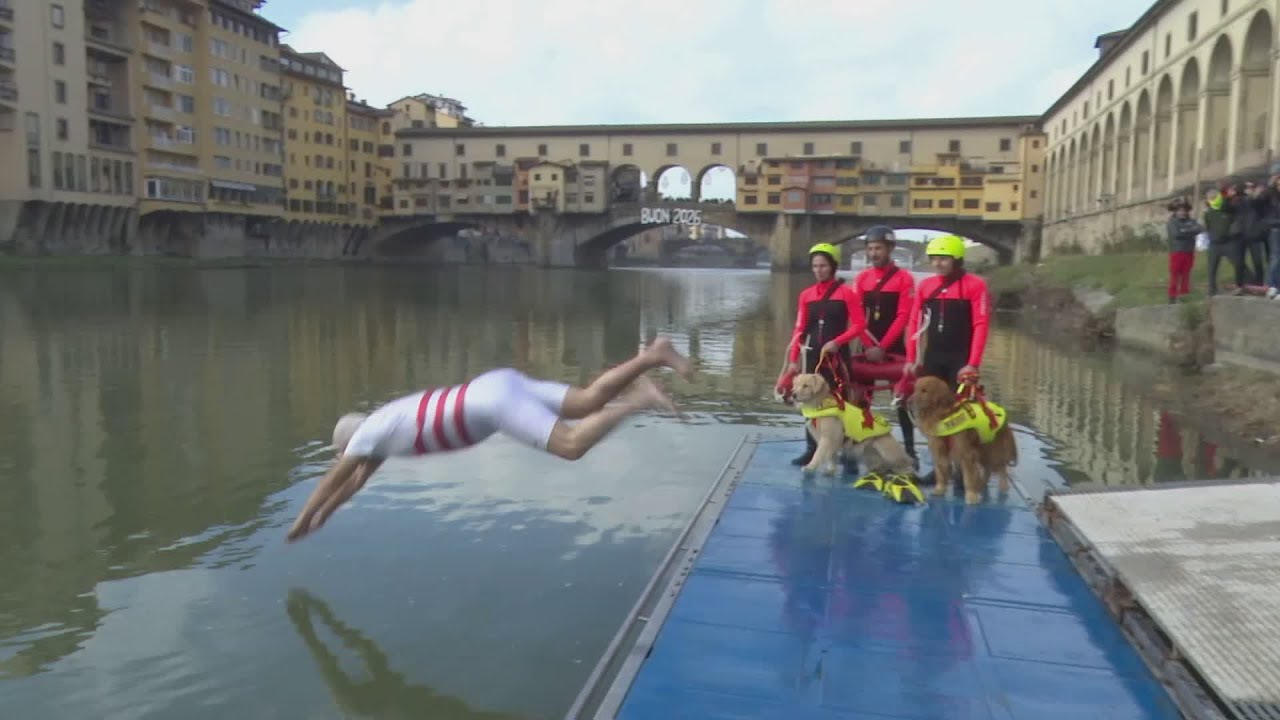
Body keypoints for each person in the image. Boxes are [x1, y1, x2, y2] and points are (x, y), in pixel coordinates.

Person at [286, 337, 694, 542]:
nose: (345, 461)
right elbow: (353, 484)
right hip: (496, 384)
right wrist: (323, 519)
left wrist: (302, 521)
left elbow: (332, 482)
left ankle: (639, 400)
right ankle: (653, 354)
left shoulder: (367, 436)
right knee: (587, 401)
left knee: (570, 445)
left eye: (343, 454)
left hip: (492, 405)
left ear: (348, 443)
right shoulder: (380, 431)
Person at [777, 241, 866, 470]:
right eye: (815, 266)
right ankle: (811, 449)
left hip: (837, 358)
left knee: (843, 404)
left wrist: (838, 342)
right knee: (808, 402)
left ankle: (848, 453)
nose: (819, 270)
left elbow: (859, 325)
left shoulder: (847, 293)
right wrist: (793, 361)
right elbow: (800, 329)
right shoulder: (806, 295)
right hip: (812, 356)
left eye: (823, 265)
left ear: (833, 266)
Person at [852, 225, 918, 460]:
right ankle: (857, 446)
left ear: (890, 248)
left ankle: (910, 450)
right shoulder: (862, 278)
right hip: (867, 347)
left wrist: (883, 347)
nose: (873, 253)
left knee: (902, 401)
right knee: (860, 401)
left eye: (878, 248)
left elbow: (904, 316)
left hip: (894, 348)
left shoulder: (904, 279)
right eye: (870, 249)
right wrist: (868, 345)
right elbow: (857, 315)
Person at [902, 235, 991, 390]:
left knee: (958, 401)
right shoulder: (925, 286)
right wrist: (911, 359)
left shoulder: (976, 285)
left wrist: (973, 364)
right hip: (933, 358)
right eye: (934, 259)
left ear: (956, 260)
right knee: (929, 400)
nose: (937, 264)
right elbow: (915, 324)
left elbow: (981, 325)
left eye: (943, 259)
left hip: (962, 359)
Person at [1165, 198, 1202, 303]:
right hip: (1177, 251)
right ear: (1175, 212)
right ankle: (1172, 295)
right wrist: (1190, 231)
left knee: (1186, 274)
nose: (1182, 213)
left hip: (1189, 251)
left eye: (1184, 211)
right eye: (1180, 211)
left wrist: (1185, 230)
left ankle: (1184, 294)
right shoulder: (1172, 222)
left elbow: (1200, 228)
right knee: (1175, 274)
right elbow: (1177, 234)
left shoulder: (1191, 221)